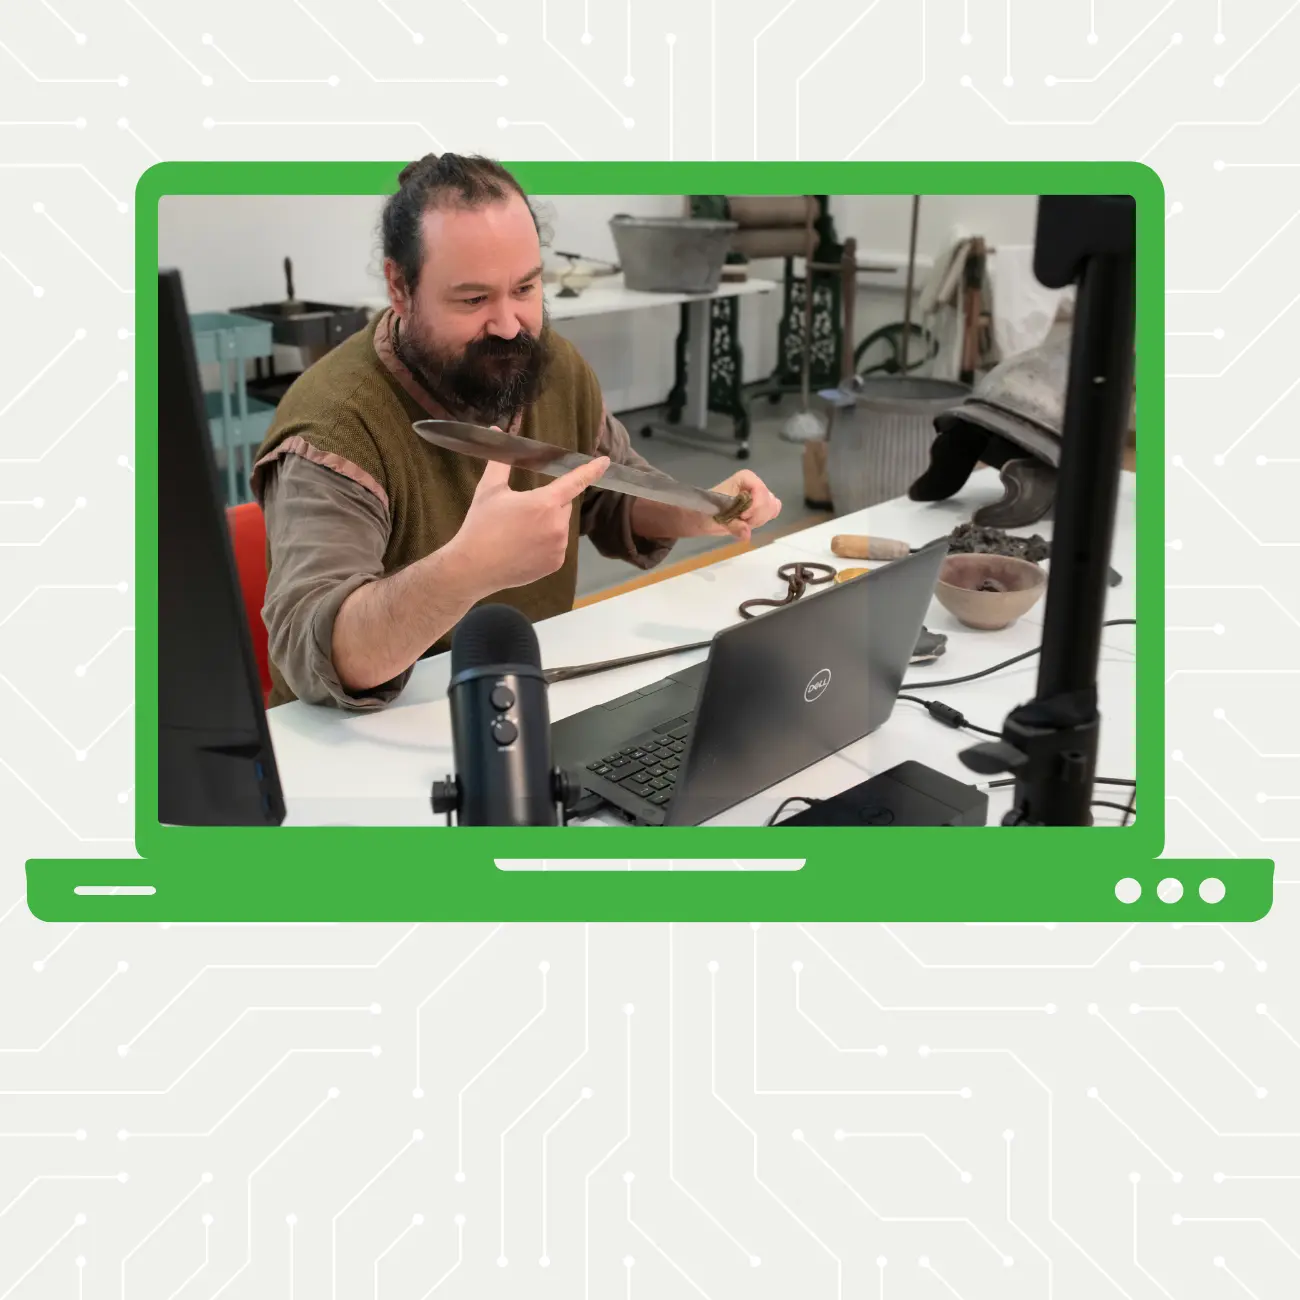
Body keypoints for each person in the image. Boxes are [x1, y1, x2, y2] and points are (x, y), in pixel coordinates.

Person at [250, 154, 781, 710]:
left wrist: (696, 509)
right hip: (362, 736)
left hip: (531, 698)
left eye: (525, 288)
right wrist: (465, 570)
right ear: (400, 287)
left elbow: (606, 489)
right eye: (473, 299)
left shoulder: (549, 365)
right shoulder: (335, 427)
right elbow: (315, 655)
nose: (508, 326)